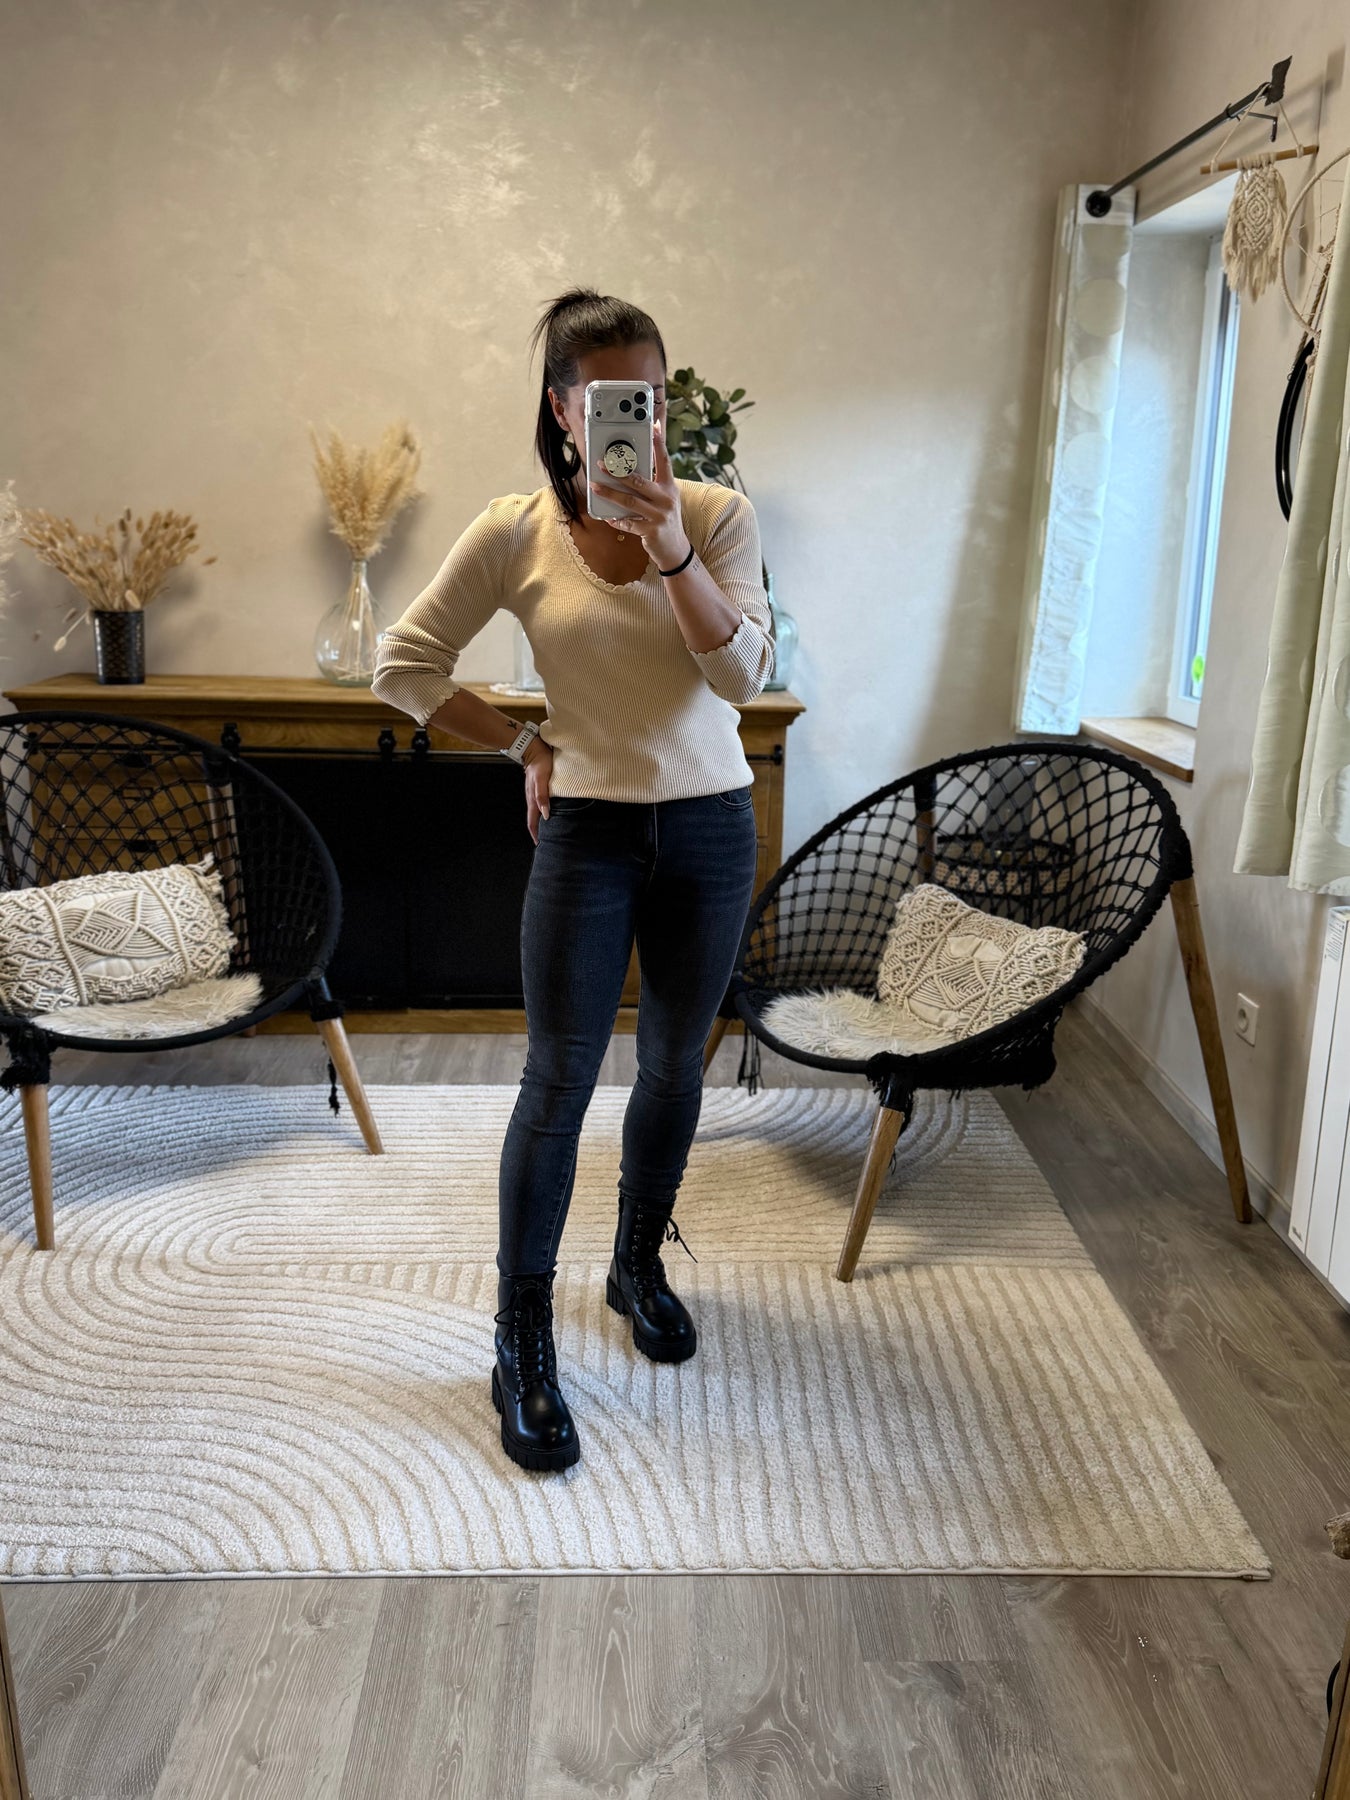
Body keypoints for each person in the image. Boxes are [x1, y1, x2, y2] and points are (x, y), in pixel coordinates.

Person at [370, 287, 773, 1473]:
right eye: (604, 396)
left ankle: (636, 1265)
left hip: (710, 830)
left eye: (649, 390)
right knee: (557, 1082)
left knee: (675, 1065)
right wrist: (523, 744)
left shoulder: (717, 516)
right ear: (561, 408)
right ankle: (521, 1340)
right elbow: (403, 666)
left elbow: (744, 679)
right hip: (588, 831)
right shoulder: (517, 531)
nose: (632, 413)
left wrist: (671, 550)